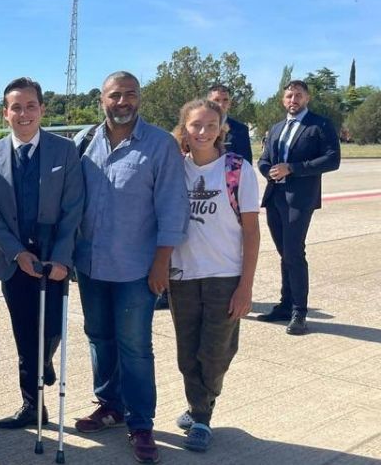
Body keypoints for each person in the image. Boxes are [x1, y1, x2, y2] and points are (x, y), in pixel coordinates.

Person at [72, 71, 188, 464]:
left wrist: (162, 264)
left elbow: (173, 209)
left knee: (135, 347)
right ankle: (110, 406)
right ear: (101, 99)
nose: (123, 102)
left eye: (131, 95)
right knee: (98, 337)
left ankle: (140, 423)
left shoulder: (160, 146)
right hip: (89, 265)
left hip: (137, 269)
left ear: (140, 99)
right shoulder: (84, 142)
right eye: (115, 95)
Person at [0, 77, 84, 429]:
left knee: (51, 328)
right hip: (14, 262)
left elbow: (73, 207)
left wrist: (62, 258)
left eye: (31, 106)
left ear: (41, 109)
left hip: (54, 258)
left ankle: (45, 362)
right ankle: (31, 406)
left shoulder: (64, 151)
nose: (24, 113)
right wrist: (16, 253)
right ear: (6, 113)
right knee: (25, 334)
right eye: (16, 107)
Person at [168, 99, 260, 452]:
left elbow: (251, 232)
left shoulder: (237, 170)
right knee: (187, 353)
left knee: (217, 351)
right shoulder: (175, 169)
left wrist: (245, 286)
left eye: (210, 125)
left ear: (222, 129)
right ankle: (200, 413)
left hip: (225, 275)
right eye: (195, 125)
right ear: (184, 130)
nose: (203, 132)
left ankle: (201, 409)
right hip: (183, 276)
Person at [257, 80, 340, 335]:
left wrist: (292, 168)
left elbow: (332, 159)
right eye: (289, 96)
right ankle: (285, 304)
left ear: (307, 98)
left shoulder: (319, 125)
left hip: (300, 199)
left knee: (294, 252)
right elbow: (264, 160)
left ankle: (299, 312)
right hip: (275, 197)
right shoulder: (277, 128)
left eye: (298, 96)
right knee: (285, 253)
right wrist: (268, 171)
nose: (293, 100)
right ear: (283, 100)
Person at [207, 84, 252, 162]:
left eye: (225, 100)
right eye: (216, 100)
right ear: (207, 102)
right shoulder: (198, 127)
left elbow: (245, 163)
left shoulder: (240, 130)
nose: (221, 104)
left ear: (229, 103)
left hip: (229, 173)